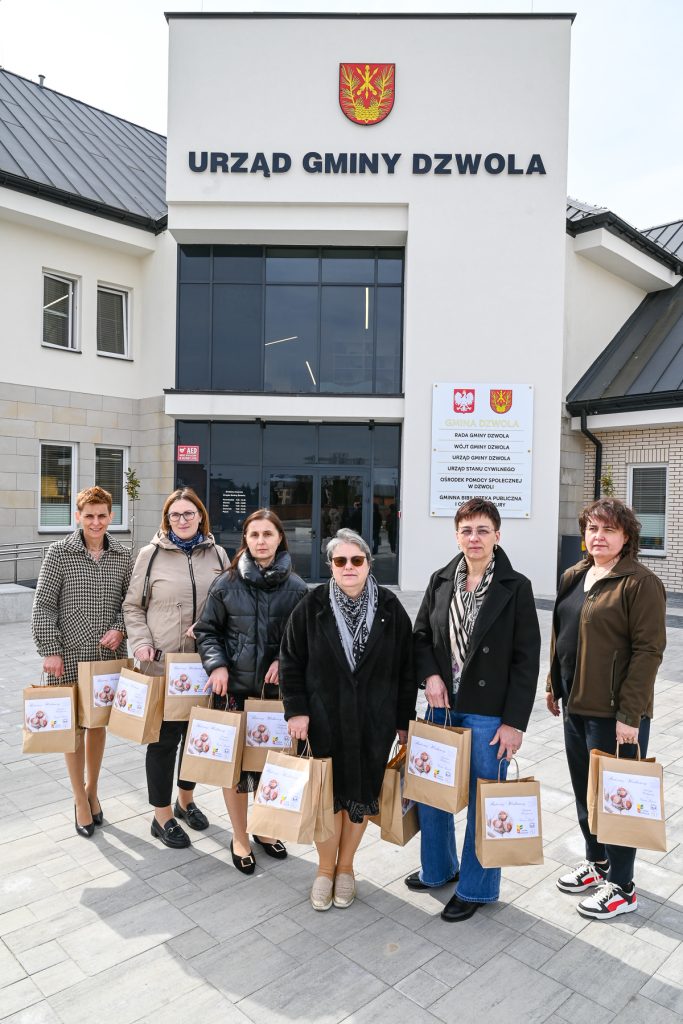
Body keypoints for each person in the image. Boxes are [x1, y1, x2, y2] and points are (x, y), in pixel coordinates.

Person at [408, 498, 540, 921]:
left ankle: (477, 887)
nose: (474, 538)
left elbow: (526, 659)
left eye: (483, 530)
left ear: (497, 536)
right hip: (443, 708)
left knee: (484, 799)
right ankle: (438, 869)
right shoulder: (441, 580)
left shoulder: (516, 587)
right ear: (457, 535)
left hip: (488, 713)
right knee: (432, 795)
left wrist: (514, 723)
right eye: (467, 530)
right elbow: (421, 637)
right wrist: (429, 677)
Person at [280, 528, 416, 911]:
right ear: (331, 566)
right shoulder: (312, 606)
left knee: (360, 796)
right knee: (328, 797)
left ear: (369, 563)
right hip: (325, 719)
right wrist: (297, 710)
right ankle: (324, 869)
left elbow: (407, 669)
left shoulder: (390, 608)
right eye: (340, 561)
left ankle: (346, 866)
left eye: (357, 560)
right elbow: (291, 661)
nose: (349, 567)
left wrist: (405, 720)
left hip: (374, 723)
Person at [547, 498, 666, 920]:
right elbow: (560, 631)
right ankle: (597, 863)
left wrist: (630, 716)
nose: (599, 536)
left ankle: (623, 886)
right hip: (576, 705)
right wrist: (553, 685)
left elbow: (650, 651)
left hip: (615, 715)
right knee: (586, 794)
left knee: (617, 801)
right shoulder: (574, 575)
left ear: (626, 537)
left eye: (609, 530)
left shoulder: (640, 583)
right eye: (593, 528)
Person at [195, 509, 308, 874]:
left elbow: (304, 641)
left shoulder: (297, 587)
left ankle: (265, 828)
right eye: (254, 534)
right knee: (237, 769)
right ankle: (240, 835)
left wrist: (283, 661)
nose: (261, 541)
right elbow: (207, 631)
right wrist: (218, 666)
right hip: (236, 692)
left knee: (269, 767)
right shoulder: (226, 583)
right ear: (245, 539)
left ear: (279, 539)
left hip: (275, 697)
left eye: (268, 534)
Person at [123, 487, 227, 849]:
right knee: (164, 740)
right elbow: (132, 606)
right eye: (175, 515)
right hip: (164, 663)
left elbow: (230, 603)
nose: (182, 520)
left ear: (201, 516)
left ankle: (185, 800)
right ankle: (161, 815)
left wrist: (210, 627)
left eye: (189, 513)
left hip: (206, 664)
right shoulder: (150, 555)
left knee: (196, 737)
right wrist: (140, 642)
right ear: (167, 519)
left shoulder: (217, 553)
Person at [32, 486, 133, 838]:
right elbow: (43, 604)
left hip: (106, 659)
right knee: (72, 728)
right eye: (89, 515)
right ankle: (79, 798)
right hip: (68, 658)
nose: (96, 521)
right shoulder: (58, 553)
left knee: (97, 726)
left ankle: (93, 790)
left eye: (102, 515)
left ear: (111, 516)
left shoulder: (122, 555)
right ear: (78, 516)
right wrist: (50, 649)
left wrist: (120, 629)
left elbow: (130, 603)